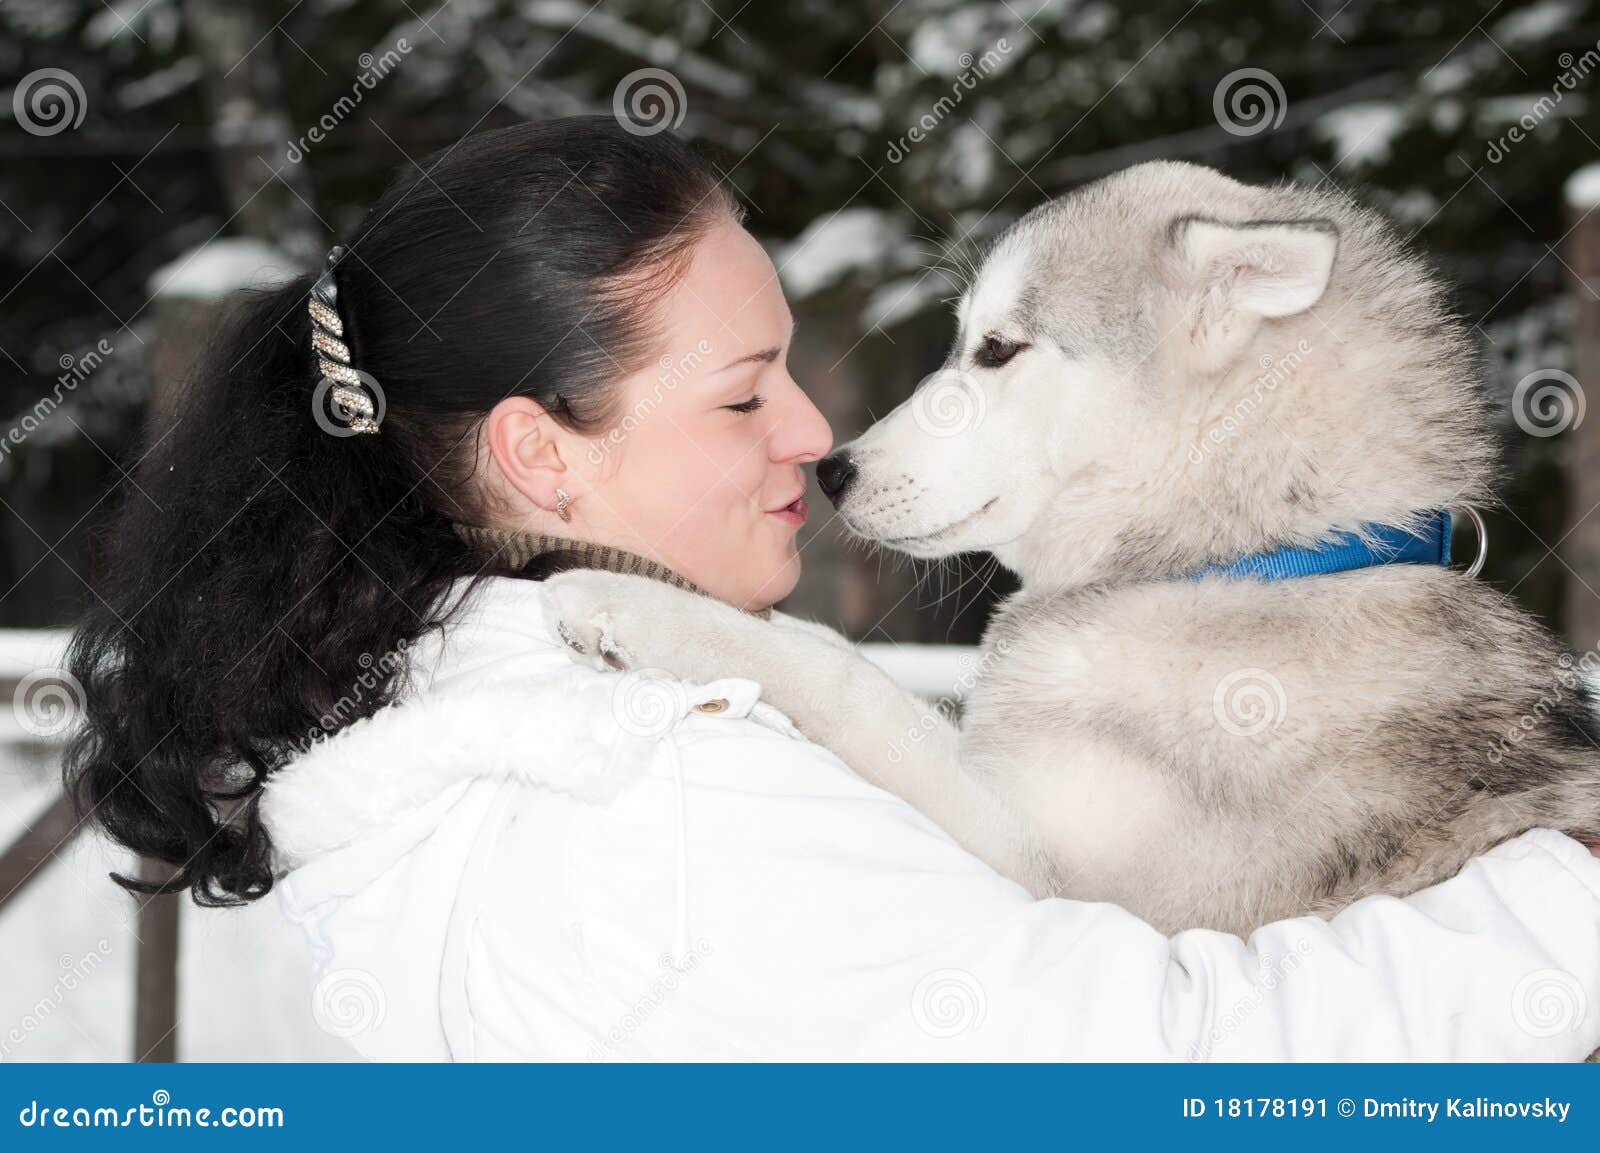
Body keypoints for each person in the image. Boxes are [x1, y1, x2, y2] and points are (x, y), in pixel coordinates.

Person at [65, 116, 1600, 1060]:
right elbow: (1175, 1065)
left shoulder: (477, 723)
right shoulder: (666, 802)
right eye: (745, 395)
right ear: (539, 452)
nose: (815, 432)